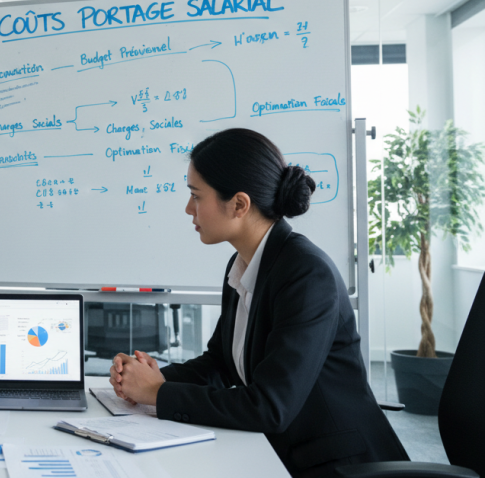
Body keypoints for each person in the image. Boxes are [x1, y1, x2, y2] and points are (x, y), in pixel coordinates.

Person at [109, 128, 408, 478]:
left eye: (196, 196)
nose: (188, 208)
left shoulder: (306, 274)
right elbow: (220, 364)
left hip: (336, 465)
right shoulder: (244, 265)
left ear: (239, 204)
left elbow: (270, 406)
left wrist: (158, 393)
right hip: (278, 451)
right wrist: (149, 378)